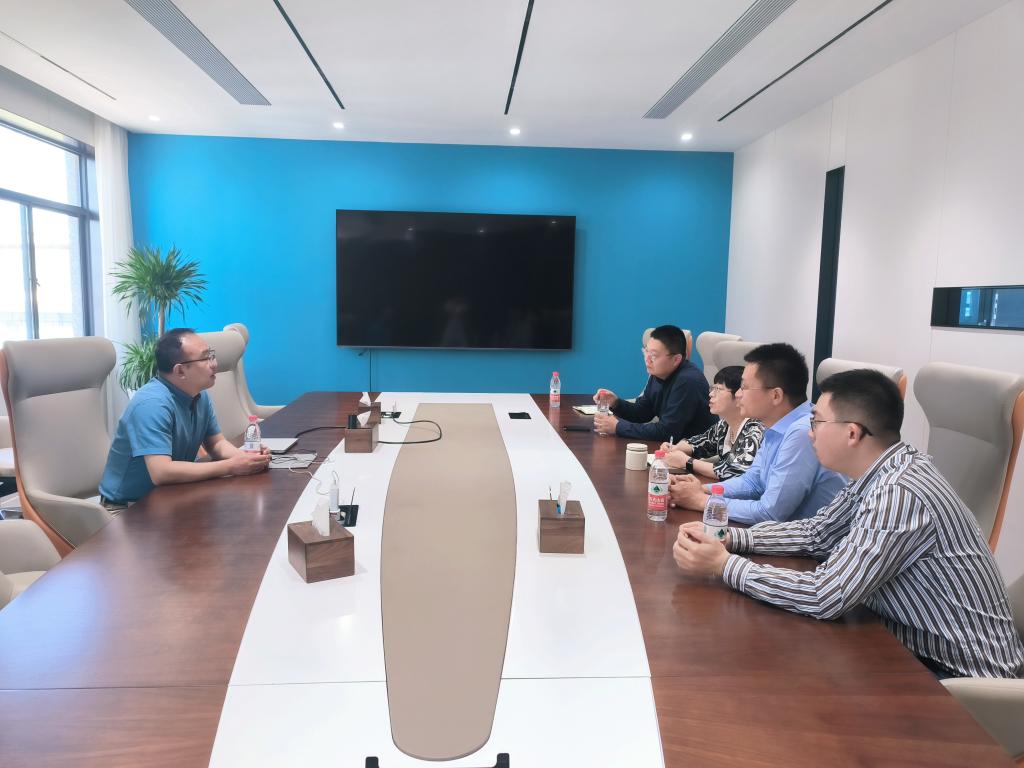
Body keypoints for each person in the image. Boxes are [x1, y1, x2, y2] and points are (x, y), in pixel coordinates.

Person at [673, 369, 1024, 679]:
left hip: (957, 679)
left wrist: (725, 565)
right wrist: (730, 538)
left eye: (816, 423)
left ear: (852, 433)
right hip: (906, 647)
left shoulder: (900, 493)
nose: (810, 434)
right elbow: (817, 533)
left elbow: (826, 595)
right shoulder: (880, 473)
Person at [668, 342, 844, 524]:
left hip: (801, 539)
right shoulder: (774, 425)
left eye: (744, 387)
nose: (738, 394)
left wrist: (701, 500)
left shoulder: (802, 432)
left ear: (776, 395)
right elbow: (752, 483)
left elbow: (771, 512)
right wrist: (702, 490)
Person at [98, 328, 271, 506]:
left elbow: (216, 444)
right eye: (205, 358)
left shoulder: (199, 395)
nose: (214, 364)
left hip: (170, 496)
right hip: (128, 507)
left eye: (211, 355)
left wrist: (247, 458)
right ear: (180, 371)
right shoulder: (152, 404)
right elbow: (161, 472)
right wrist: (231, 466)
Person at [592, 325, 714, 442]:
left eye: (653, 355)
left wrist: (618, 427)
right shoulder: (659, 373)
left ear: (676, 359)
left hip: (696, 452)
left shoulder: (688, 381)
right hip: (673, 447)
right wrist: (616, 403)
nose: (647, 359)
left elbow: (667, 432)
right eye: (646, 352)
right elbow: (642, 412)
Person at [658, 366, 765, 480]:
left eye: (718, 389)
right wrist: (675, 448)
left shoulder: (755, 429)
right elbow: (702, 442)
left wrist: (687, 461)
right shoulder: (724, 425)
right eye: (712, 388)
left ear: (739, 395)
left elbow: (735, 471)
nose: (711, 394)